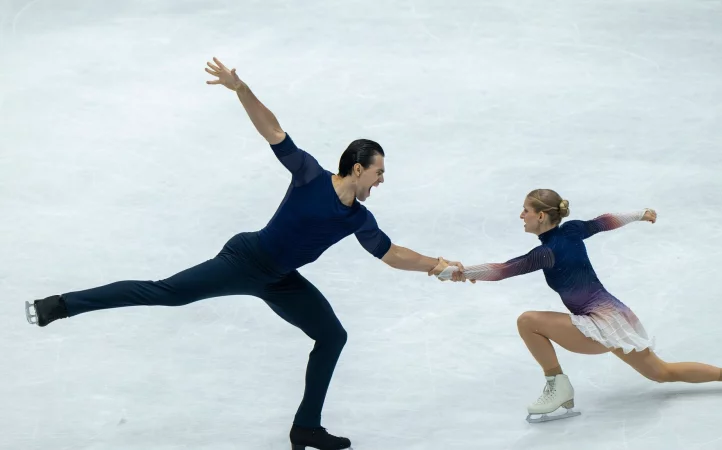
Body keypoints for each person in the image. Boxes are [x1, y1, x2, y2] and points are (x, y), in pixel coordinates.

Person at [25, 57, 465, 450]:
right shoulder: (310, 174)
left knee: (332, 336)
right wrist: (241, 89)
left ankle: (305, 428)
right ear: (356, 168)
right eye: (379, 172)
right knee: (166, 292)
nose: (382, 181)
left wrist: (437, 265)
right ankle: (61, 305)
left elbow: (390, 254)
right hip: (245, 261)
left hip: (280, 279)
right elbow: (273, 130)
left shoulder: (358, 219)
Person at [432, 188, 722, 423]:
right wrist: (640, 213)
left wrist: (461, 273)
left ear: (541, 217)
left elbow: (504, 270)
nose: (521, 215)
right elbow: (606, 220)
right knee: (662, 372)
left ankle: (558, 384)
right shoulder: (573, 230)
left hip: (597, 323)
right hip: (616, 316)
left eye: (526, 210)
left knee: (527, 321)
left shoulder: (546, 251)